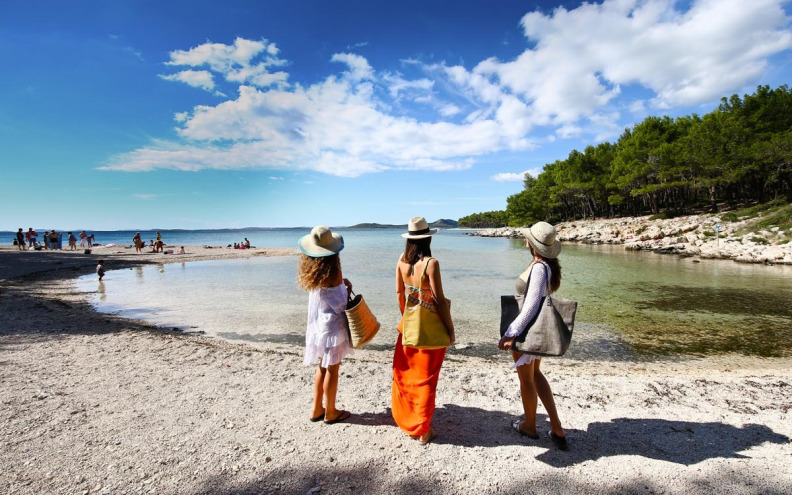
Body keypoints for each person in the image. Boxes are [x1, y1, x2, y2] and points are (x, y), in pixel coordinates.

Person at [498, 222, 568, 451]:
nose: (525, 240)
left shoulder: (539, 268)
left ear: (531, 243)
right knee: (536, 375)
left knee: (526, 380)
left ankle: (529, 425)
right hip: (536, 328)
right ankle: (556, 427)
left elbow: (529, 306)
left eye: (527, 238)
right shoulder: (545, 265)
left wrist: (511, 333)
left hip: (528, 329)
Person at [392, 217, 454, 445]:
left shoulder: (401, 261)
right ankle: (424, 430)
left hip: (407, 330)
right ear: (428, 238)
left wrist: (407, 318)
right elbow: (438, 301)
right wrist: (450, 329)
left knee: (407, 376)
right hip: (430, 332)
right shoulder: (431, 264)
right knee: (427, 379)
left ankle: (409, 420)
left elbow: (400, 294)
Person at [297, 225, 354, 425]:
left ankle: (316, 408)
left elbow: (325, 295)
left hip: (318, 326)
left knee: (322, 367)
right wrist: (347, 289)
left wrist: (340, 285)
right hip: (332, 329)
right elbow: (340, 304)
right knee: (332, 368)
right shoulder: (334, 271)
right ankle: (331, 412)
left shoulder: (313, 272)